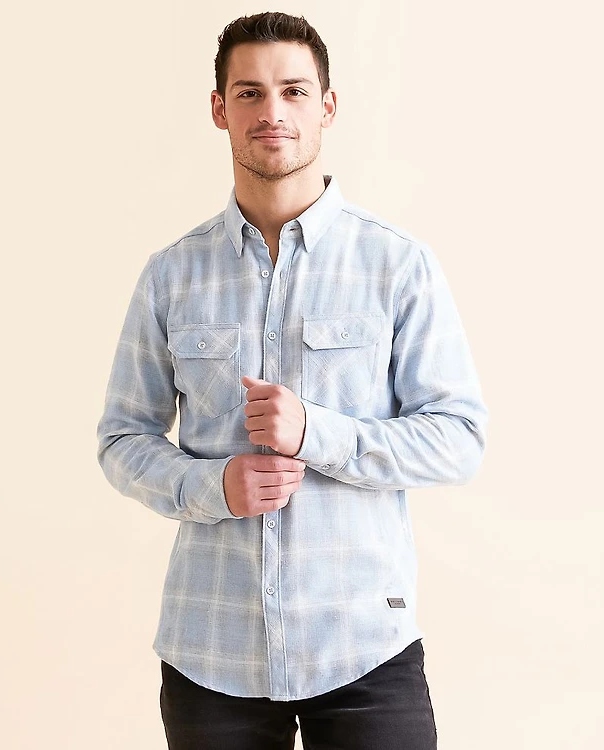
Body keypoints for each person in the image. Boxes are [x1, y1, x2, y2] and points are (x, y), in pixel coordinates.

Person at [96, 10, 488, 750]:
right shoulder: (171, 274)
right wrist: (214, 486)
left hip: (365, 646)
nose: (272, 111)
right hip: (211, 651)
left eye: (294, 91)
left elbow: (459, 438)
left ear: (327, 106)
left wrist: (317, 433)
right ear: (220, 110)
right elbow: (122, 440)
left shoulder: (397, 264)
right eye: (249, 92)